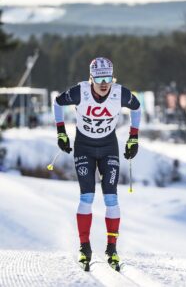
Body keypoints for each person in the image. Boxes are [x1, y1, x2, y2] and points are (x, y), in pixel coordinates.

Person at [53, 57, 141, 271]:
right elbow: (57, 102)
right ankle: (85, 247)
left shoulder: (120, 93)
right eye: (99, 78)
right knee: (87, 196)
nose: (104, 83)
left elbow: (137, 108)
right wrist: (61, 133)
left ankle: (111, 249)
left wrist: (134, 137)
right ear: (90, 78)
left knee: (111, 197)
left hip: (109, 147)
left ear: (113, 77)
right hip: (84, 147)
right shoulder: (79, 92)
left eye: (108, 78)